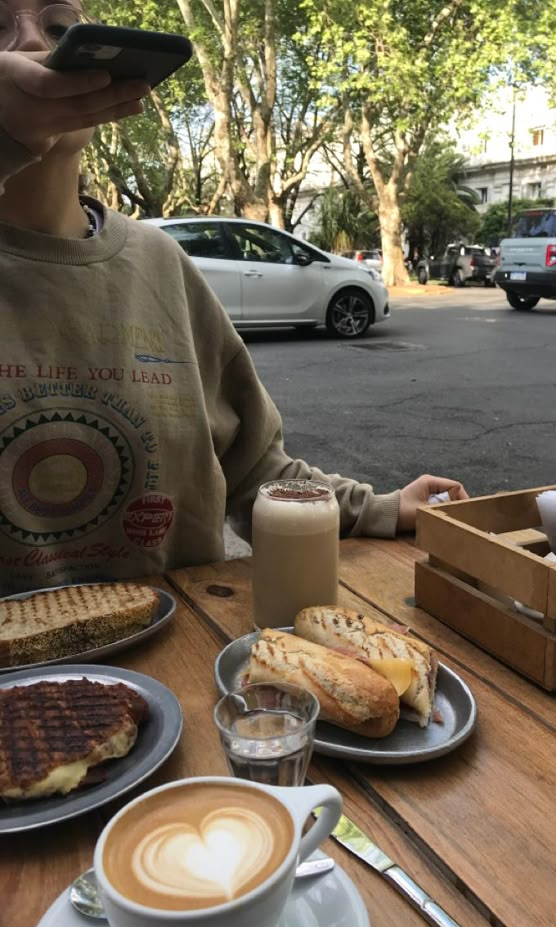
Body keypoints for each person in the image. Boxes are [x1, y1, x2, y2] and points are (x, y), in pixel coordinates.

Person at [0, 1, 467, 594]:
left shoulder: (159, 262)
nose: (32, 46)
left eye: (62, 30)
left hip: (180, 660)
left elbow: (250, 470)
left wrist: (381, 507)